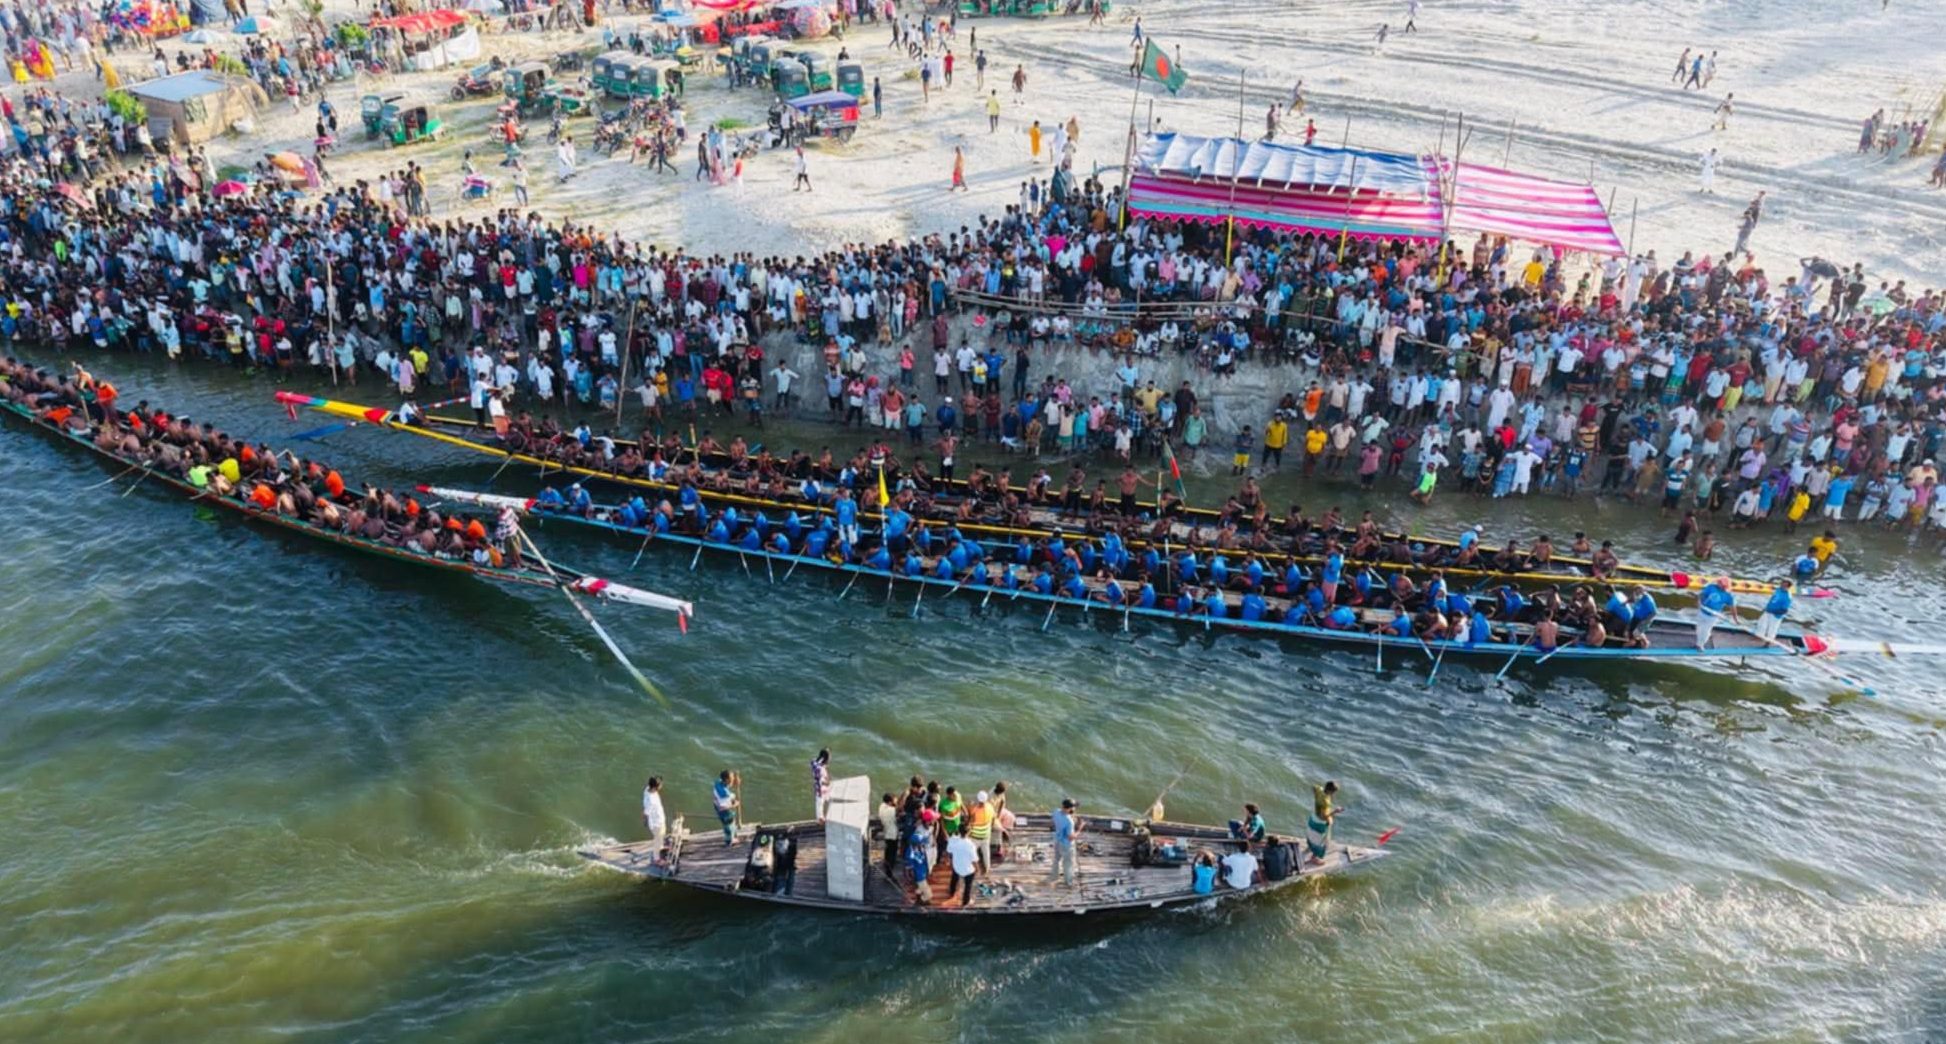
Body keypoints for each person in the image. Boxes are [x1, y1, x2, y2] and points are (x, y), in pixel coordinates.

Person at [1694, 576, 1736, 649]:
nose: (1718, 584)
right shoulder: (1711, 587)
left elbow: (1733, 608)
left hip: (1712, 616)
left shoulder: (1728, 595)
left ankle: (1700, 645)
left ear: (1725, 586)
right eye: (1719, 582)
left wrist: (1735, 619)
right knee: (1699, 629)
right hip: (1702, 612)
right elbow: (1701, 594)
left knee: (1706, 631)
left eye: (1721, 583)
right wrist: (1699, 602)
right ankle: (1699, 641)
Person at [1047, 797, 1079, 888]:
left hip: (1057, 840)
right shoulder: (1069, 822)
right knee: (1068, 864)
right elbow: (1070, 837)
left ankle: (1054, 876)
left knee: (1056, 859)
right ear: (1070, 808)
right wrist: (1079, 829)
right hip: (1066, 845)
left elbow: (1056, 821)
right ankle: (1069, 882)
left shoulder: (1056, 811)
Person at [1306, 780, 1339, 862]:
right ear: (1330, 791)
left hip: (1313, 817)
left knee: (1312, 836)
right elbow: (1323, 816)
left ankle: (1309, 847)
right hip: (1320, 823)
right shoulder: (1325, 802)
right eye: (1334, 792)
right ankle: (1314, 858)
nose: (1333, 794)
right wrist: (1335, 811)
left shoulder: (1319, 789)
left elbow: (1313, 787)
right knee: (1320, 841)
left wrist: (1316, 796)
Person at [946, 827, 978, 905]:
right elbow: (974, 860)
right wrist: (977, 869)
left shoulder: (953, 840)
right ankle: (966, 901)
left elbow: (949, 851)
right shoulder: (970, 845)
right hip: (967, 870)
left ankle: (952, 892)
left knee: (954, 879)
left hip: (956, 867)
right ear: (968, 832)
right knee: (968, 885)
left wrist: (950, 861)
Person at [711, 769, 740, 845]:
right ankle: (729, 841)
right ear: (727, 780)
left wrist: (735, 782)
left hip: (717, 805)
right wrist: (735, 804)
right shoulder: (725, 794)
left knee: (730, 824)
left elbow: (728, 785)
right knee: (728, 826)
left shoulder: (718, 782)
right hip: (724, 812)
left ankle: (732, 834)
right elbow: (723, 808)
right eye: (732, 778)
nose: (733, 778)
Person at [642, 775, 667, 850]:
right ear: (655, 787)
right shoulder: (651, 801)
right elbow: (646, 813)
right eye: (660, 785)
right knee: (658, 838)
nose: (661, 786)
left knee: (661, 835)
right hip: (657, 823)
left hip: (658, 820)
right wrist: (645, 822)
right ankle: (657, 855)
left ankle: (661, 846)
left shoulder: (647, 789)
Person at [810, 747, 831, 821]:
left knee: (821, 804)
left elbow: (813, 761)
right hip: (821, 790)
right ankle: (821, 821)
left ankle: (822, 819)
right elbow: (821, 781)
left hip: (819, 788)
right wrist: (827, 782)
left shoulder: (814, 763)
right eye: (829, 756)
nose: (830, 758)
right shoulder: (821, 769)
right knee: (820, 808)